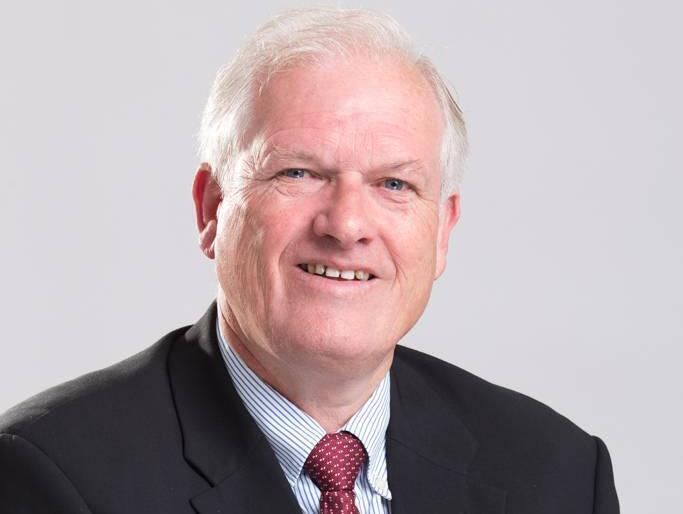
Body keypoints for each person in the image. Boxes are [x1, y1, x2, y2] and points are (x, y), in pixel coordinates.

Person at [0, 8, 619, 514]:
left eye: (394, 184)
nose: (346, 226)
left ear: (442, 232)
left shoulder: (558, 475)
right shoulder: (52, 476)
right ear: (212, 208)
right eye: (298, 173)